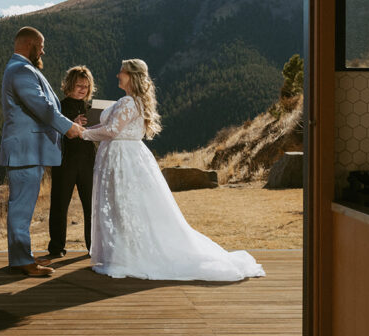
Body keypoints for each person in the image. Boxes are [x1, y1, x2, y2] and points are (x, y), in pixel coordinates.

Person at [80, 59, 265, 282]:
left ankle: (128, 257)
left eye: (122, 72)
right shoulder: (130, 101)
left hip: (124, 160)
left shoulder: (129, 102)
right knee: (125, 207)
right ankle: (124, 253)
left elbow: (111, 131)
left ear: (132, 76)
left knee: (126, 206)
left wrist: (81, 133)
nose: (118, 75)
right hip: (124, 157)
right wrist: (85, 128)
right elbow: (108, 129)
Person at [0, 26, 83, 277]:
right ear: (29, 45)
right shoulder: (22, 70)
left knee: (22, 206)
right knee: (21, 207)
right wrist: (69, 127)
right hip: (26, 151)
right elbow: (42, 106)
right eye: (41, 44)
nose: (44, 50)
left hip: (28, 151)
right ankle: (22, 262)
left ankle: (21, 257)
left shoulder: (20, 69)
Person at [46, 65, 97, 258]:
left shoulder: (92, 109)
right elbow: (53, 132)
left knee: (91, 206)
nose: (82, 89)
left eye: (86, 85)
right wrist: (71, 122)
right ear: (69, 85)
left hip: (88, 161)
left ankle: (93, 247)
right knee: (59, 205)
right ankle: (56, 248)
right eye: (78, 85)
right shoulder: (59, 107)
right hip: (64, 162)